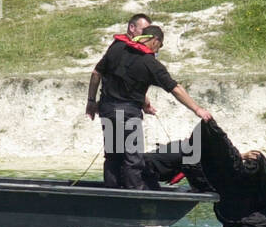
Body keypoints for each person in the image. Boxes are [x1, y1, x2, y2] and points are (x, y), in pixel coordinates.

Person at [85, 19, 213, 189]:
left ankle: (113, 194)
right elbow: (175, 88)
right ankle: (136, 197)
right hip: (127, 115)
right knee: (133, 159)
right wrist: (198, 109)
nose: (157, 51)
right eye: (158, 47)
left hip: (108, 110)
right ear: (155, 40)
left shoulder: (117, 47)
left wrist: (91, 101)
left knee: (113, 156)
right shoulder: (150, 64)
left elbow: (97, 74)